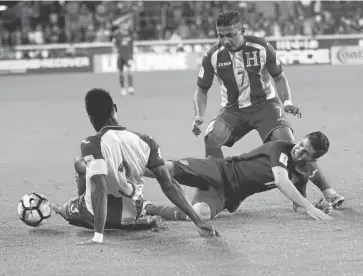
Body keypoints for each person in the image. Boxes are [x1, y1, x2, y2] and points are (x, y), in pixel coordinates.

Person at [191, 10, 344, 209]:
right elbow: (201, 90)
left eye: (230, 35)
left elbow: (278, 77)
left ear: (242, 30)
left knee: (290, 144)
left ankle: (322, 192)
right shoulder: (212, 56)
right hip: (233, 109)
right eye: (221, 35)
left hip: (265, 106)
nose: (225, 40)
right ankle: (219, 188)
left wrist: (287, 102)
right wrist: (199, 115)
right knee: (211, 137)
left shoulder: (261, 48)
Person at [52, 88, 218, 245]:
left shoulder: (91, 143)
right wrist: (198, 222)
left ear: (90, 117)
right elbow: (169, 185)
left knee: (79, 169)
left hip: (93, 215)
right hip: (131, 214)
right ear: (115, 108)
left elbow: (99, 187)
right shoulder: (146, 141)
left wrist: (98, 235)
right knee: (127, 190)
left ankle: (58, 207)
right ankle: (141, 217)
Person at [144, 131, 334, 221]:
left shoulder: (301, 176)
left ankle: (148, 208)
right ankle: (125, 170)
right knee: (167, 169)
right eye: (301, 144)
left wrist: (314, 207)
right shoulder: (280, 148)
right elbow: (280, 180)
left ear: (312, 158)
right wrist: (309, 206)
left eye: (305, 153)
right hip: (217, 169)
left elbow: (297, 206)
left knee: (200, 214)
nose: (298, 151)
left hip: (228, 194)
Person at [111, 13, 134, 96]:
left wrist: (132, 56)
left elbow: (131, 46)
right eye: (123, 25)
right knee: (120, 73)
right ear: (121, 26)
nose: (125, 27)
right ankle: (123, 89)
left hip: (128, 57)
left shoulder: (130, 35)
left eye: (126, 25)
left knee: (130, 72)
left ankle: (131, 88)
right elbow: (114, 45)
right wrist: (115, 51)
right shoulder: (117, 35)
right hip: (120, 56)